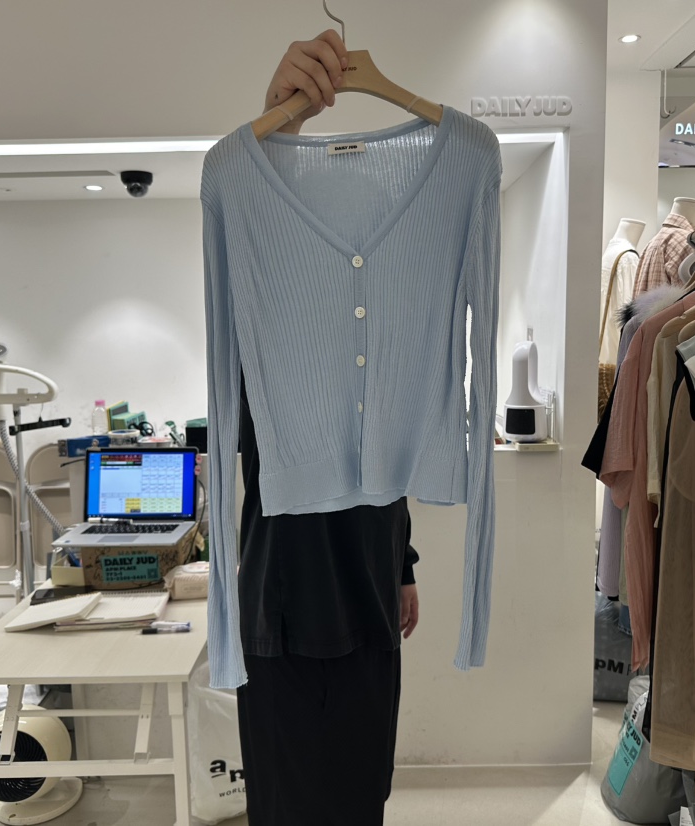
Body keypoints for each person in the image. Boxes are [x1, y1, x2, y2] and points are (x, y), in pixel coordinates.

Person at [234, 30, 421, 826]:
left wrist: (403, 563)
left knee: (362, 798)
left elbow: (392, 457)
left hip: (372, 601)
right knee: (293, 806)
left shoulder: (383, 323)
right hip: (291, 613)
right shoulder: (264, 311)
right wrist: (279, 121)